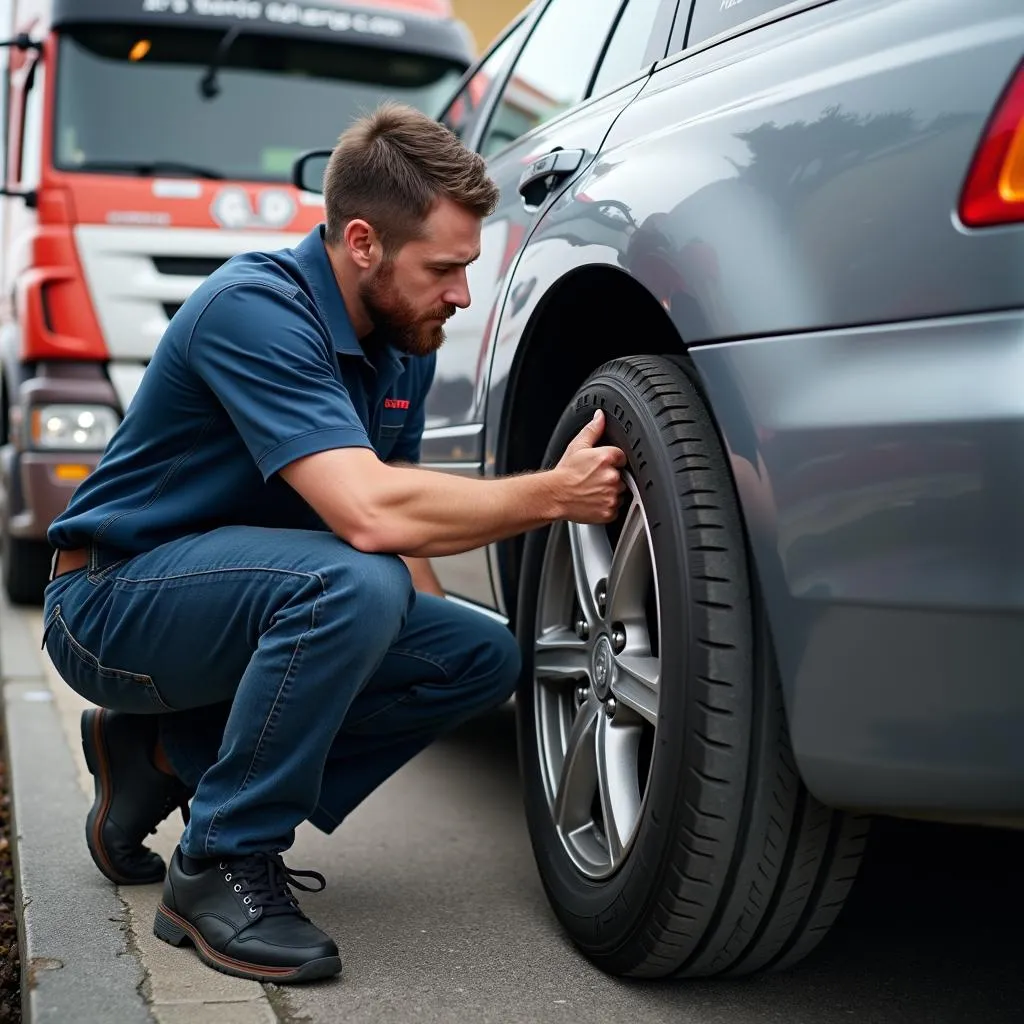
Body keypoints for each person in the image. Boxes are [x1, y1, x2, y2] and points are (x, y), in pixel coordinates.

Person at [42, 103, 626, 985]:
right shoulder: (256, 310)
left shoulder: (402, 339)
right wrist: (552, 496)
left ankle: (163, 755)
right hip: (110, 605)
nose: (460, 295)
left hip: (233, 605)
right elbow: (370, 517)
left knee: (474, 653)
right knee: (352, 582)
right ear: (362, 243)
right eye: (445, 268)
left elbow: (403, 522)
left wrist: (422, 654)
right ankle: (220, 862)